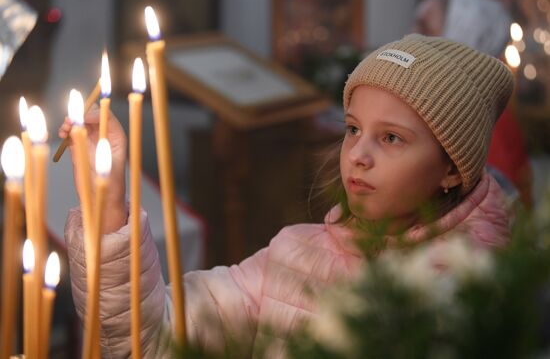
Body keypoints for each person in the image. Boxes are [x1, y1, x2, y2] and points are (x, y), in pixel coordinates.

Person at [61, 34, 513, 358]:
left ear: (452, 168)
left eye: (391, 138)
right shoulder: (292, 257)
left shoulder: (478, 293)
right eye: (353, 128)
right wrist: (110, 193)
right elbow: (153, 338)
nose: (358, 154)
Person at [413, 0, 534, 208]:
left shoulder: (480, 115)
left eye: (425, 28)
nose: (412, 37)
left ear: (460, 39)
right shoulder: (436, 101)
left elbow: (495, 208)